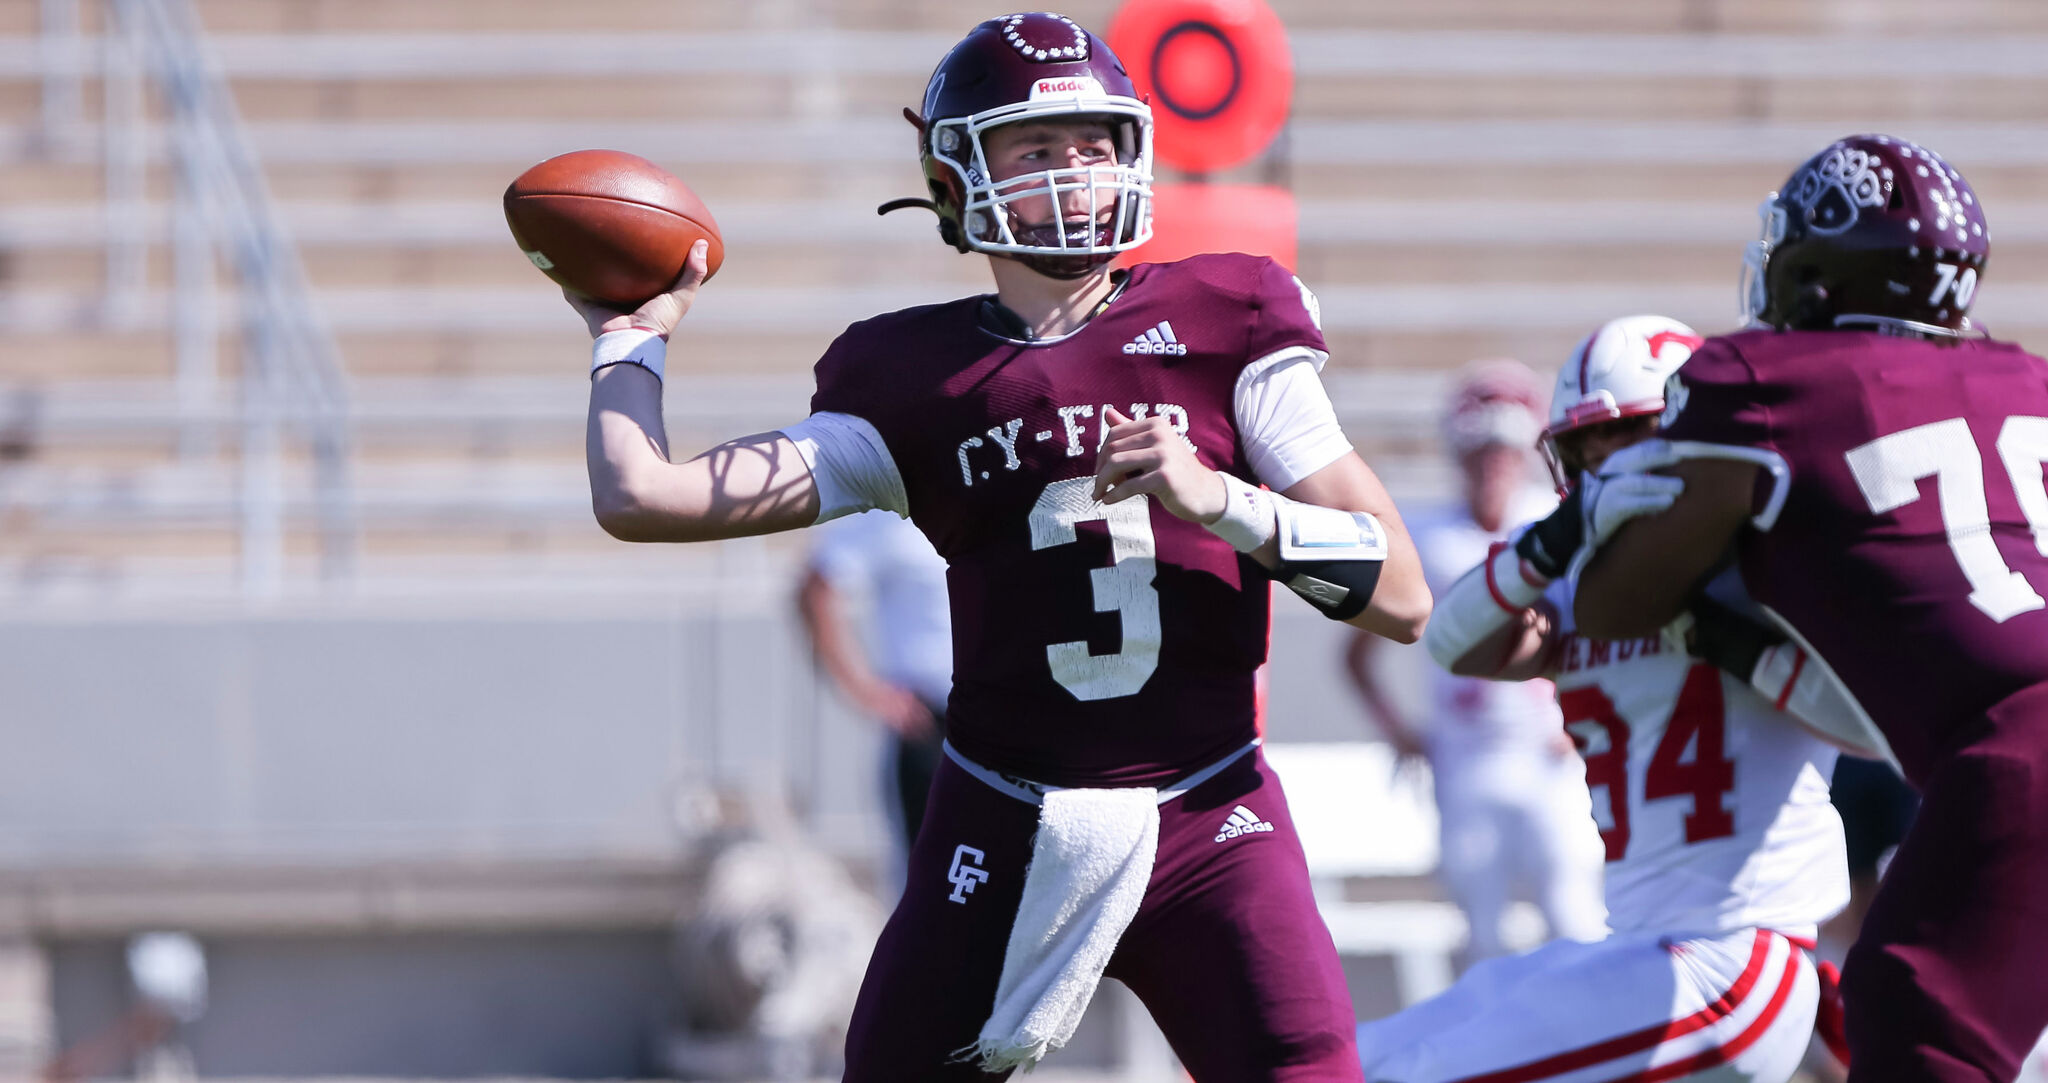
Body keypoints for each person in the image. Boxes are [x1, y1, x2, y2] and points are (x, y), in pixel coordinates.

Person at [564, 13, 1431, 1080]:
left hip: (1212, 812)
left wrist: (1222, 504)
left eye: (1093, 143)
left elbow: (1401, 594)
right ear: (954, 178)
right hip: (1004, 814)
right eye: (1034, 148)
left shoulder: (1228, 319)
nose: (1075, 172)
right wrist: (627, 338)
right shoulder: (907, 377)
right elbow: (644, 497)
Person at [1572, 136, 2048, 1083]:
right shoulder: (2026, 376)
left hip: (2017, 744)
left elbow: (1621, 597)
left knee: (1912, 1012)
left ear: (1817, 270)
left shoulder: (1765, 381)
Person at [1356, 314, 1854, 1082]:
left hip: (1732, 957)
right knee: (1356, 1057)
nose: (1605, 469)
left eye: (1627, 437)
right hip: (1637, 947)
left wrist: (1730, 641)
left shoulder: (1760, 572)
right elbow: (1452, 641)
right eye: (1588, 450)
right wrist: (1552, 540)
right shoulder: (1576, 583)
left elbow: (1870, 727)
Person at [1344, 360, 1605, 965]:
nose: (1493, 466)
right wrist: (1401, 732)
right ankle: (1513, 1057)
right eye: (1481, 452)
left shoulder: (1550, 524)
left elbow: (1600, 627)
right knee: (1483, 933)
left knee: (1575, 915)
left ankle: (1583, 1055)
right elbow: (1359, 653)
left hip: (1550, 755)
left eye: (1504, 452)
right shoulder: (1430, 538)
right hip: (1467, 755)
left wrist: (1583, 715)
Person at [796, 509, 952, 877]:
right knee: (926, 876)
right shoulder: (897, 518)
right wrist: (865, 689)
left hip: (1008, 721)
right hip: (930, 724)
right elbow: (817, 585)